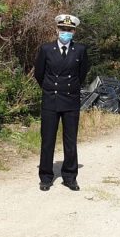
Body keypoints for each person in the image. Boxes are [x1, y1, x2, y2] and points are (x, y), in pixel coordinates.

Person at [34, 14, 90, 191]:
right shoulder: (46, 49)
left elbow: (81, 74)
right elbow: (39, 74)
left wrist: (71, 87)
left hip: (71, 100)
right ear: (57, 30)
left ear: (74, 31)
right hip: (51, 99)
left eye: (69, 30)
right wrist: (51, 88)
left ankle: (70, 176)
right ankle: (46, 176)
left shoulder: (80, 50)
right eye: (63, 29)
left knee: (70, 140)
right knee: (48, 140)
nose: (66, 32)